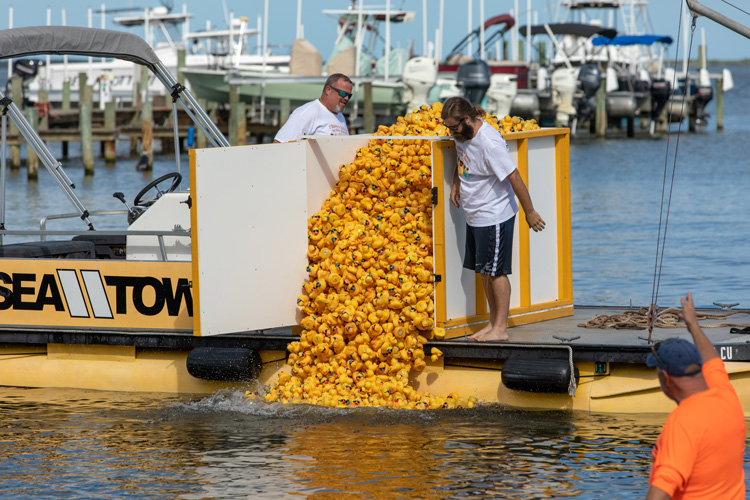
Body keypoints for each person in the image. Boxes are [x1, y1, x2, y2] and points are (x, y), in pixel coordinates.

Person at [441, 96, 545, 342]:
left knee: (497, 272)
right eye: (447, 127)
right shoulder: (463, 135)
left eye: (453, 127)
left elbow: (514, 176)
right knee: (485, 271)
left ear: (467, 120)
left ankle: (501, 328)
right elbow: (462, 158)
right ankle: (492, 323)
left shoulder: (489, 143)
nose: (451, 132)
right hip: (475, 214)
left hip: (495, 214)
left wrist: (530, 211)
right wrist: (456, 182)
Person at [645, 291, 746, 500]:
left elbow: (660, 493)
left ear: (666, 378)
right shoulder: (725, 394)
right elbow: (712, 360)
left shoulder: (682, 422)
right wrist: (693, 325)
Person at [273, 73, 353, 143]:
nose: (346, 98)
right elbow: (279, 144)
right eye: (343, 93)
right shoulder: (307, 113)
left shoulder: (341, 117)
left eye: (349, 95)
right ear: (328, 90)